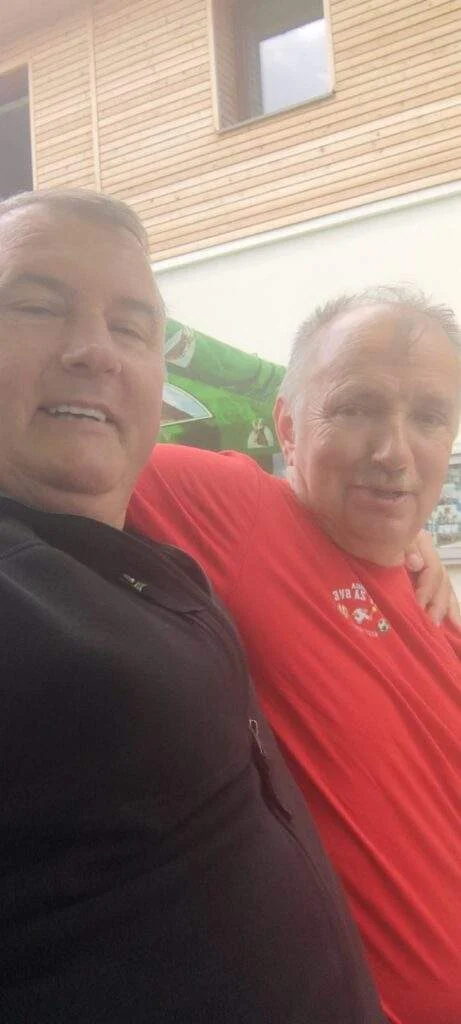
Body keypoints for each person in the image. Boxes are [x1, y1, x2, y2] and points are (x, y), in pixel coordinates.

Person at [0, 188, 388, 1023]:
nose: (95, 350)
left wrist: (393, 542)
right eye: (36, 305)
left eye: (132, 326)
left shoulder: (154, 548)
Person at [130, 288, 461, 1024]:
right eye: (356, 408)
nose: (393, 452)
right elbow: (57, 438)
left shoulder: (438, 616)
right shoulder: (243, 512)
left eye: (428, 417)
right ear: (286, 424)